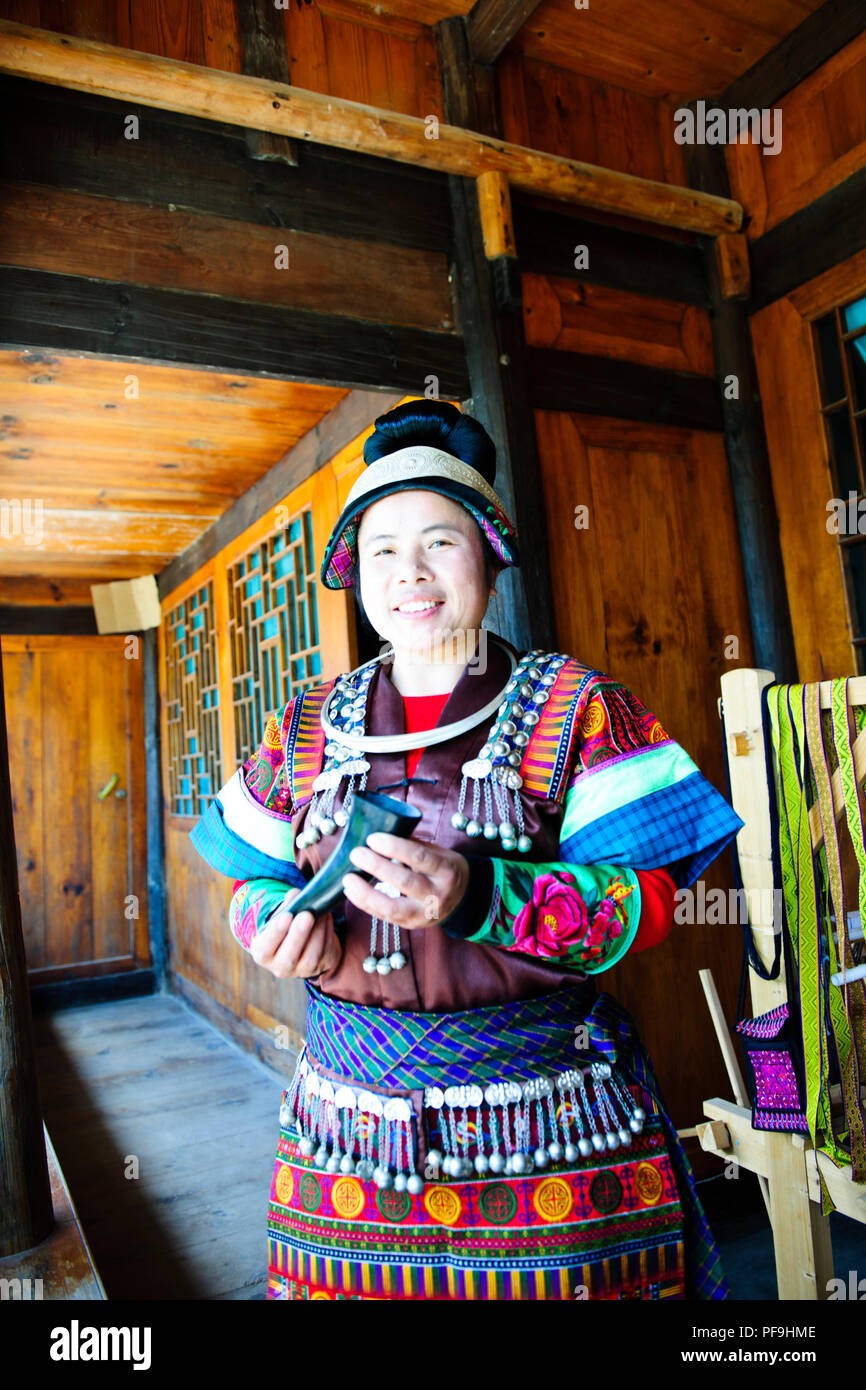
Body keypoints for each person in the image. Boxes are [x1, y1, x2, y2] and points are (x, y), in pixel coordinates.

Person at [188, 399, 744, 1301]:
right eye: (382, 549)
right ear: (355, 575)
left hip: (549, 1130)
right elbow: (249, 873)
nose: (410, 572)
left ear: (488, 556)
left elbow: (652, 904)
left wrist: (481, 895)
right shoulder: (305, 721)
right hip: (346, 1135)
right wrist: (269, 922)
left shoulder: (578, 706)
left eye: (440, 542)